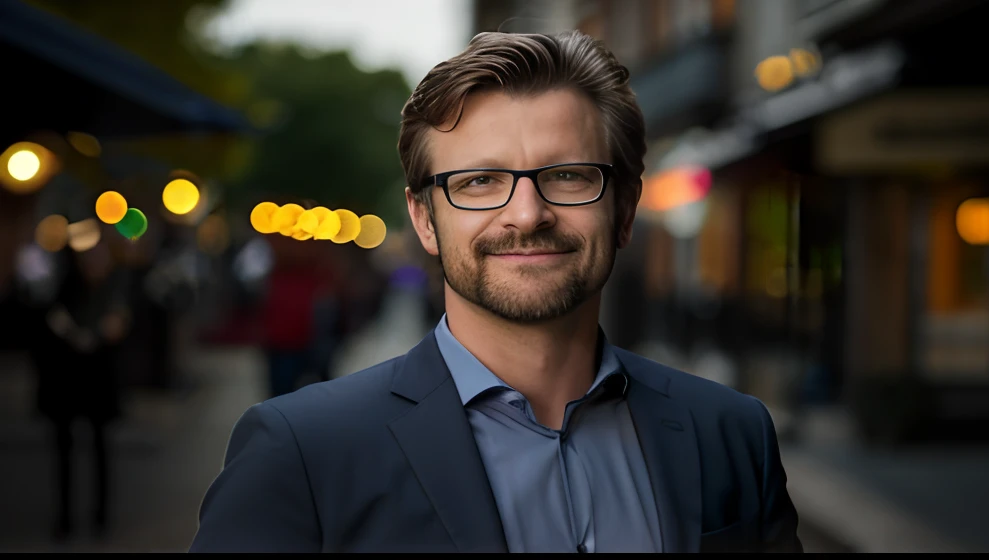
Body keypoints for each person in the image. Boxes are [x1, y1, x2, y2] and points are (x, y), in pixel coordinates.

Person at [190, 30, 803, 553]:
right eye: (481, 181)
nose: (527, 214)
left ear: (624, 210)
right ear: (426, 220)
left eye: (568, 175)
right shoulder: (299, 452)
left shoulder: (731, 434)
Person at [29, 240, 130, 540]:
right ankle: (65, 517)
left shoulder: (113, 291)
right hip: (66, 382)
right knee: (64, 451)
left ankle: (100, 518)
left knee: (100, 449)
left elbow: (120, 327)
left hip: (98, 381)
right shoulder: (63, 291)